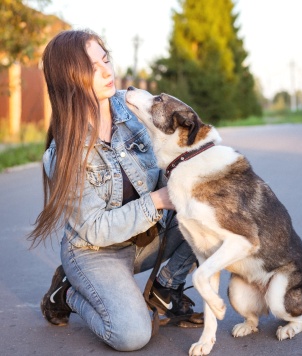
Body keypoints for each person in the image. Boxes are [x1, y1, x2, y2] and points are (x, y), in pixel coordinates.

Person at [29, 29, 202, 352]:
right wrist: (158, 200)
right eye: (92, 68)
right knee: (132, 334)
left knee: (212, 211)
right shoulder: (64, 153)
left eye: (105, 59)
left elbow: (183, 139)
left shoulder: (135, 109)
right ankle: (65, 294)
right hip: (95, 252)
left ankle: (167, 287)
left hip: (148, 237)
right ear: (69, 78)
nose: (107, 72)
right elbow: (95, 229)